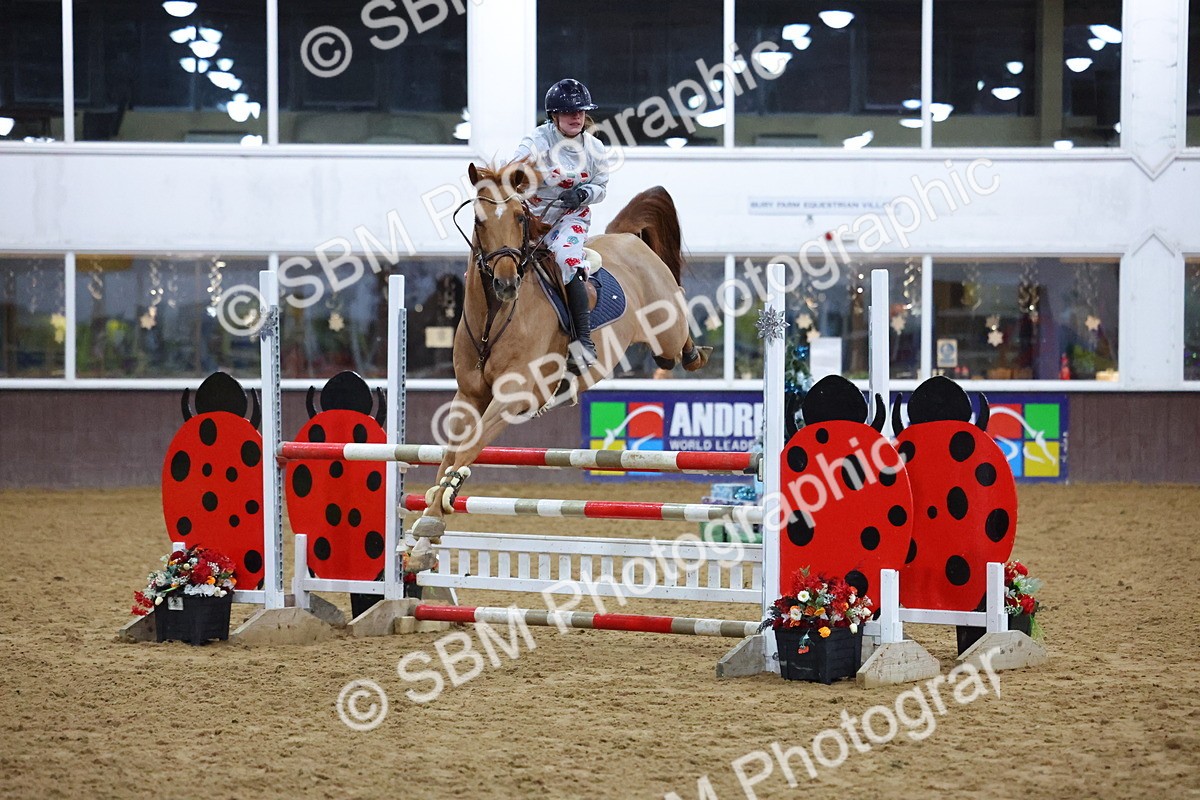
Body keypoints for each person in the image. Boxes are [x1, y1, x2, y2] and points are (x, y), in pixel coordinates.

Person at [512, 78, 610, 368]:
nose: (576, 117)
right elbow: (512, 177)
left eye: (580, 111)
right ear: (553, 115)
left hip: (571, 217)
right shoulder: (535, 143)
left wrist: (583, 193)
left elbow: (602, 188)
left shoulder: (594, 148)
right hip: (533, 215)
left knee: (568, 259)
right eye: (569, 112)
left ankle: (583, 340)